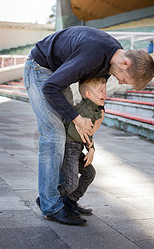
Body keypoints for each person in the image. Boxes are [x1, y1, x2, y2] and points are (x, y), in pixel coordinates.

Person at [23, 26, 154, 226]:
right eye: (125, 79)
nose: (120, 83)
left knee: (66, 136)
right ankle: (50, 205)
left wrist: (91, 144)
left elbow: (95, 101)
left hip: (56, 76)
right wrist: (76, 117)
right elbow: (50, 88)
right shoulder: (93, 53)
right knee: (54, 136)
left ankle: (63, 201)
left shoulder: (112, 60)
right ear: (126, 63)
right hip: (40, 70)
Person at [58, 77, 106, 216]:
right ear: (88, 94)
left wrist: (90, 148)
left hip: (77, 148)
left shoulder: (93, 109)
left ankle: (71, 202)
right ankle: (48, 199)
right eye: (101, 91)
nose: (105, 94)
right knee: (71, 184)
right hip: (70, 148)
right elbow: (78, 133)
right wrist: (90, 148)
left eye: (105, 91)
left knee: (89, 173)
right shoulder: (83, 111)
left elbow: (87, 132)